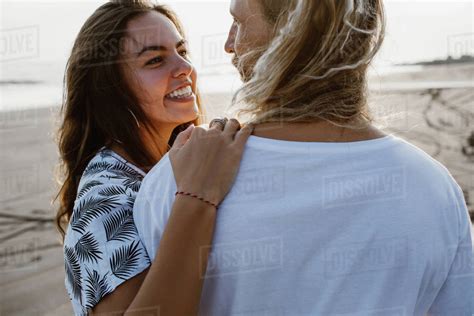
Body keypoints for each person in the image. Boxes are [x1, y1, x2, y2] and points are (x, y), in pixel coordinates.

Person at [134, 0, 474, 315]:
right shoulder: (433, 188)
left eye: (239, 23)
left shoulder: (180, 177)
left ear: (289, 39)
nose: (229, 44)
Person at [55, 1, 252, 315]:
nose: (184, 68)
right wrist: (198, 195)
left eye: (182, 52)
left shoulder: (176, 162)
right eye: (155, 60)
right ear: (111, 88)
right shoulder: (105, 199)